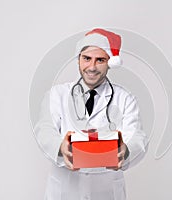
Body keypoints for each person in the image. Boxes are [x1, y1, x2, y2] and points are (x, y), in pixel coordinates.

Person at [34, 28, 148, 200]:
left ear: (110, 62)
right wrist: (60, 147)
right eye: (87, 58)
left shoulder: (125, 98)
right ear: (78, 60)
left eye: (100, 60)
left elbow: (137, 137)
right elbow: (44, 131)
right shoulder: (56, 95)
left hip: (106, 192)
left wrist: (126, 150)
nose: (92, 67)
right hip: (65, 191)